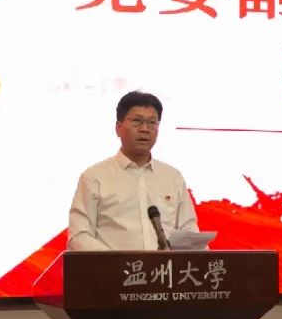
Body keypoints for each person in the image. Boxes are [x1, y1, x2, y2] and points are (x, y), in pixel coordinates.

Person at [68, 91, 198, 250]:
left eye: (152, 123)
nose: (145, 129)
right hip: (113, 266)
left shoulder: (173, 177)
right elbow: (79, 236)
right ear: (118, 127)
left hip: (165, 266)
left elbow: (188, 229)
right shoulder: (94, 177)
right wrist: (118, 261)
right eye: (137, 121)